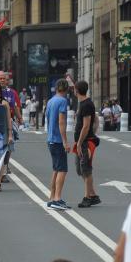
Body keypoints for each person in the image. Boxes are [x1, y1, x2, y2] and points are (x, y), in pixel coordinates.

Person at [72, 81, 101, 208]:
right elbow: (96, 119)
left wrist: (79, 143)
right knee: (80, 169)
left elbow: (86, 125)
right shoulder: (82, 104)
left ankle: (87, 197)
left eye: (74, 89)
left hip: (85, 142)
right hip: (81, 141)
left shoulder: (86, 104)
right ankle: (93, 194)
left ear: (76, 90)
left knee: (86, 169)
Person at [45, 81, 70, 210]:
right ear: (66, 89)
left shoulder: (50, 101)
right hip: (58, 140)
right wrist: (65, 141)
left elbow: (48, 119)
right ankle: (57, 198)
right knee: (62, 170)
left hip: (50, 139)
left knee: (56, 169)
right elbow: (61, 122)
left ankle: (52, 197)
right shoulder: (63, 102)